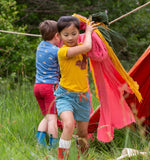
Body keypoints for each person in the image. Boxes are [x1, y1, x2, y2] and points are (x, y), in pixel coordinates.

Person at [54, 16, 97, 159]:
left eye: (74, 34)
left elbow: (91, 47)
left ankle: (84, 156)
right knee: (68, 124)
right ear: (59, 36)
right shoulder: (62, 51)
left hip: (83, 97)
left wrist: (93, 33)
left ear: (79, 33)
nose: (70, 38)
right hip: (65, 96)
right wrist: (89, 32)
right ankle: (62, 157)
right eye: (66, 35)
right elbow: (87, 46)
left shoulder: (81, 46)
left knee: (83, 133)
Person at [33, 20, 61, 149]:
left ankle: (40, 144)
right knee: (52, 119)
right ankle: (54, 147)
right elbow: (62, 69)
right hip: (50, 87)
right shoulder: (56, 51)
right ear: (56, 36)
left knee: (47, 116)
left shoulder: (40, 46)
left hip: (37, 87)